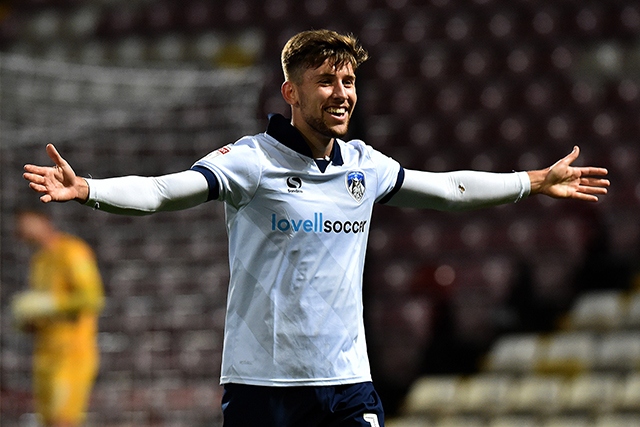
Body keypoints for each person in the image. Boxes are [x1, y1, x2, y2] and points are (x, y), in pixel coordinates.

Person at [22, 29, 609, 427]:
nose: (342, 94)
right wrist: (89, 190)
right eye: (327, 80)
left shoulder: (365, 165)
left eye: (349, 82)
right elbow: (159, 192)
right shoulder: (250, 160)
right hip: (262, 386)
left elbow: (451, 189)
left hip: (347, 381)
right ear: (292, 91)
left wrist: (532, 180)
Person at [12, 209, 105, 427]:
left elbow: (92, 299)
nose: (23, 229)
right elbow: (43, 313)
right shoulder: (39, 261)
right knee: (47, 422)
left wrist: (50, 304)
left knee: (63, 421)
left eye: (27, 222)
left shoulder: (72, 251)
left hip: (71, 353)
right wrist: (28, 319)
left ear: (44, 220)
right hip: (44, 355)